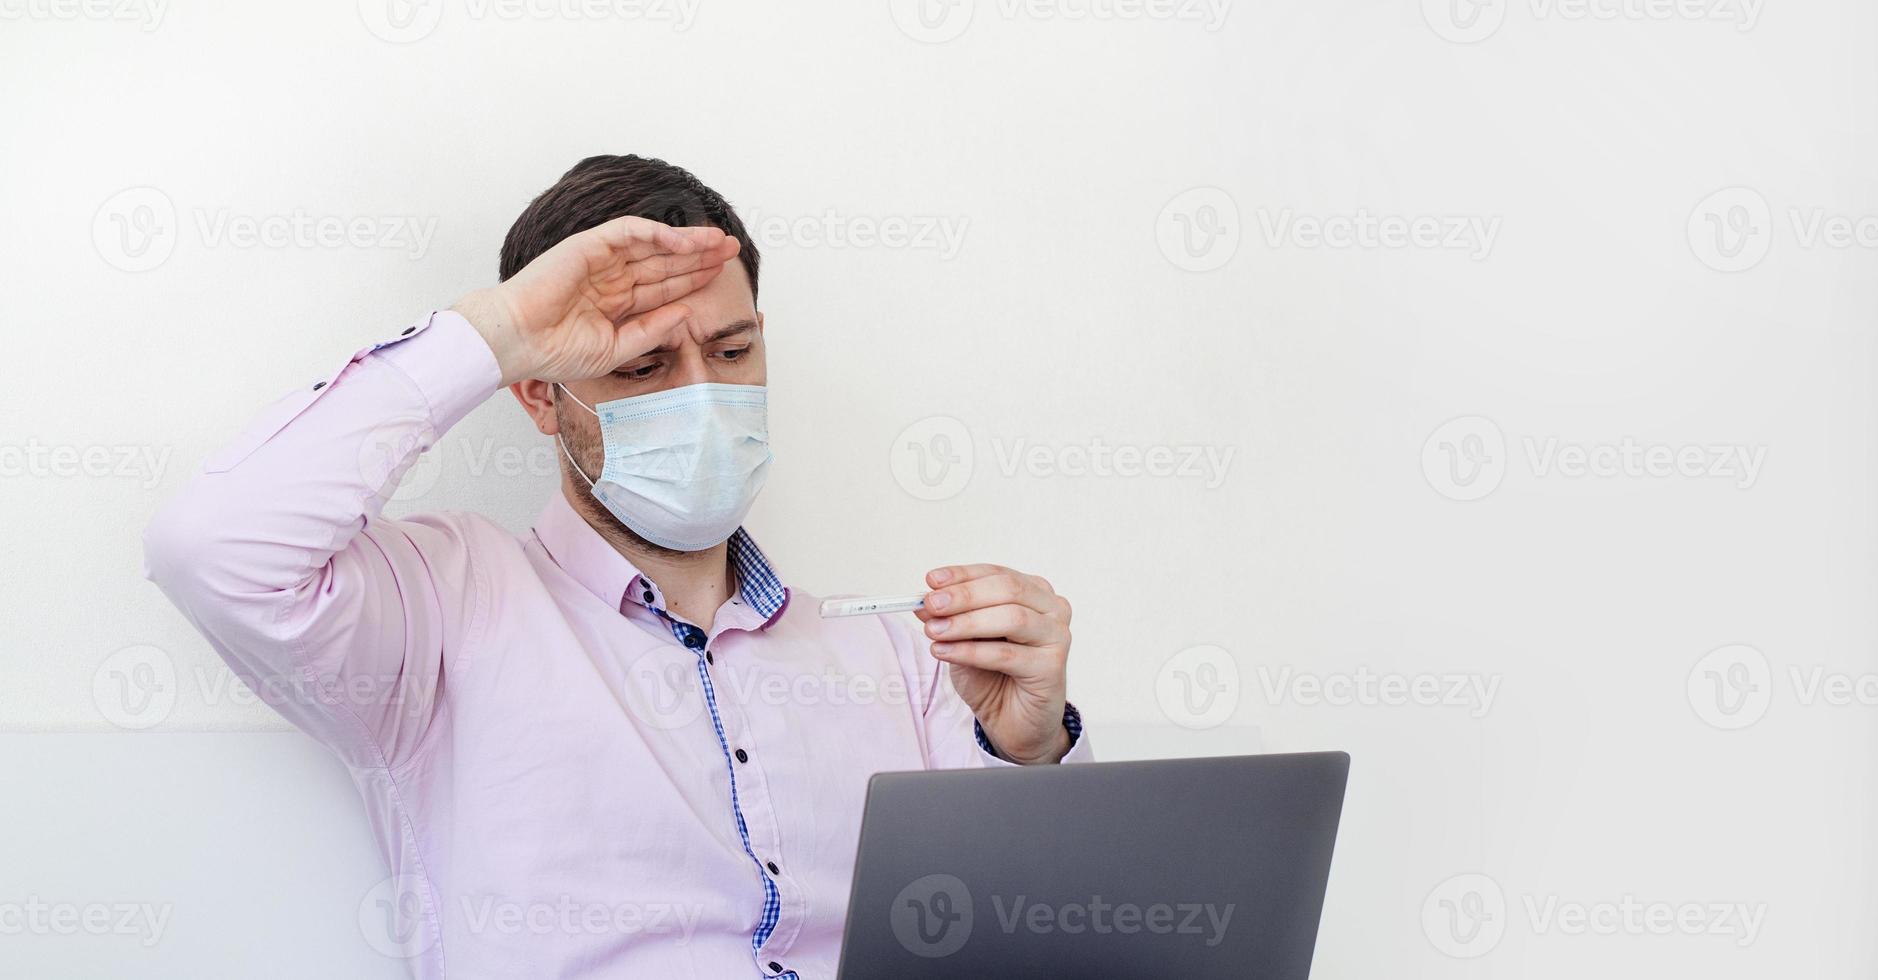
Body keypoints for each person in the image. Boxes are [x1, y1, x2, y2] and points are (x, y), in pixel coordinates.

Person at [142, 154, 1089, 979]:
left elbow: (1039, 939)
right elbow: (215, 546)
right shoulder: (436, 612)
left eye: (732, 350)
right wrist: (497, 329)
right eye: (641, 367)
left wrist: (1031, 754)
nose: (705, 396)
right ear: (541, 399)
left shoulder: (904, 654)